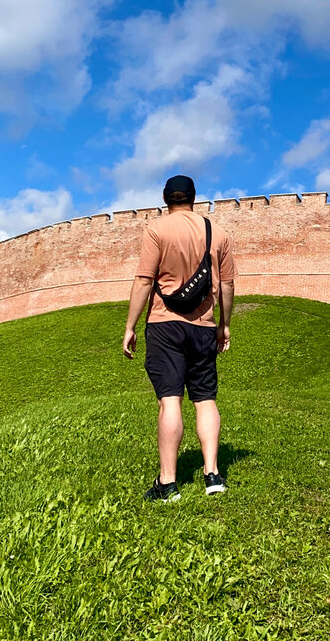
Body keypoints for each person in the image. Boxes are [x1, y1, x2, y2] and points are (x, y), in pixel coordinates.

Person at [123, 174, 237, 502]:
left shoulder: (156, 230)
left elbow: (145, 280)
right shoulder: (218, 233)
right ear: (193, 198)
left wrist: (130, 326)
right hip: (203, 326)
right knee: (205, 399)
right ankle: (213, 474)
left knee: (170, 399)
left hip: (164, 324)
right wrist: (224, 324)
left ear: (165, 198)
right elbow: (226, 285)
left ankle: (168, 483)